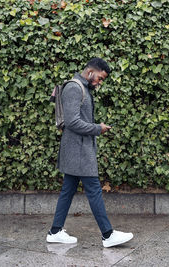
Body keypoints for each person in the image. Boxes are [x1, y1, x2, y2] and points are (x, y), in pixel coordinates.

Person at [46, 58, 133, 248]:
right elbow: (72, 122)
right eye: (100, 78)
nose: (100, 83)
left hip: (78, 148)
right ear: (91, 72)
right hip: (78, 151)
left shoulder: (83, 88)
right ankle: (108, 235)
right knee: (94, 189)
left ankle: (54, 231)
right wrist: (97, 128)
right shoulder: (74, 88)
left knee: (68, 190)